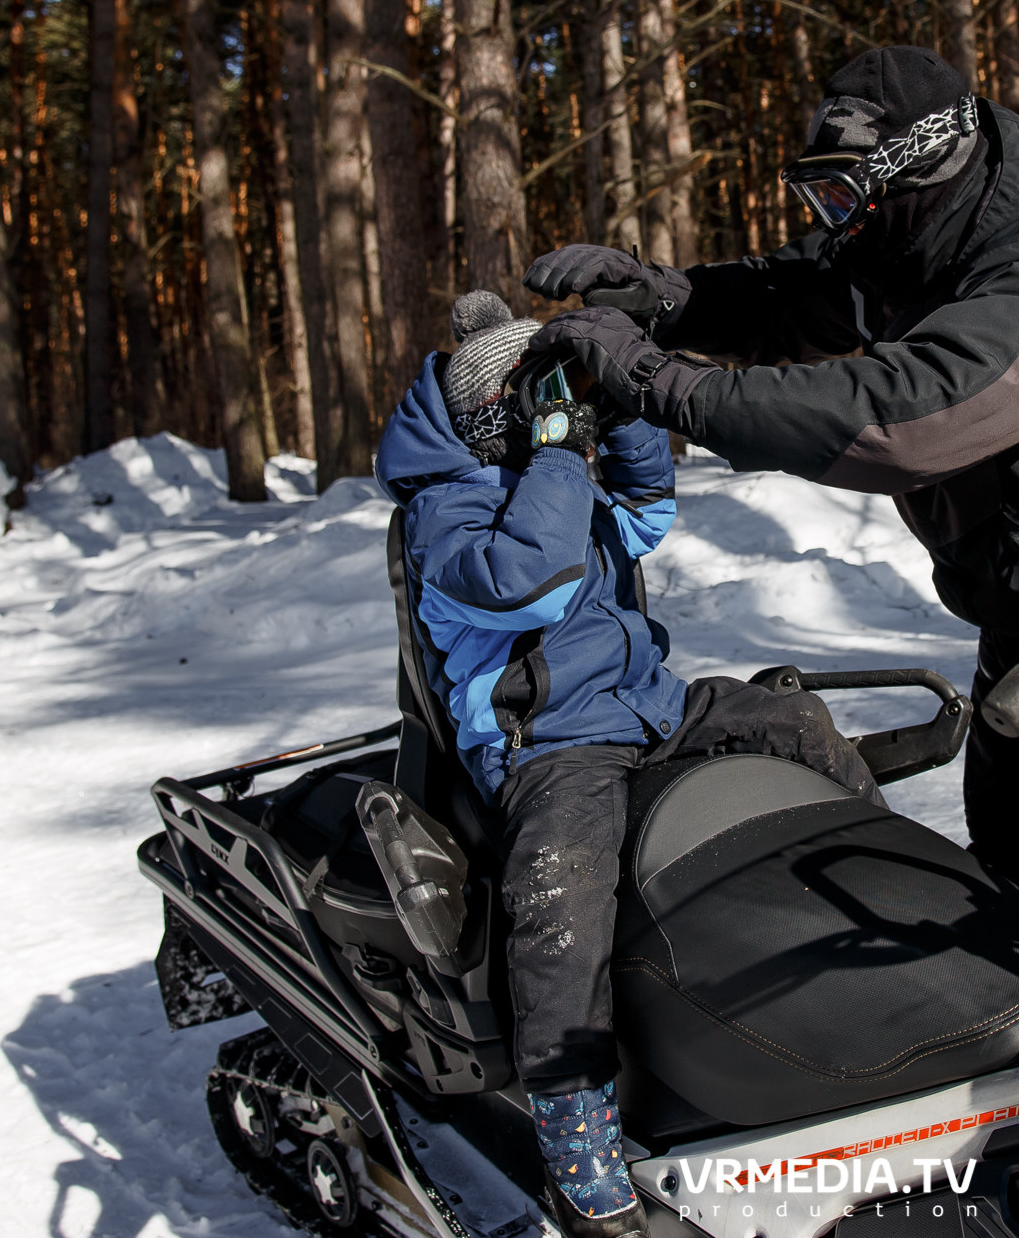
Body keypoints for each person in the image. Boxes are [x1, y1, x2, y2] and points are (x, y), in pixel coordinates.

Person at [519, 46, 1019, 964]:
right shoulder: (913, 239)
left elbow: (897, 420)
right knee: (1018, 917)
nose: (836, 224)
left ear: (921, 167)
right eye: (822, 200)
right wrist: (666, 296)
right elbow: (795, 293)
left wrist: (656, 381)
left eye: (844, 198)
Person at [374, 292, 882, 1238]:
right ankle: (573, 1122)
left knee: (793, 723)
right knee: (562, 901)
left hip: (647, 704)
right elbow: (535, 577)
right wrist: (564, 452)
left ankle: (878, 896)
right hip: (549, 746)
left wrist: (626, 410)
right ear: (507, 419)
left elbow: (643, 519)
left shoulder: (550, 474)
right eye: (551, 401)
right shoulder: (446, 515)